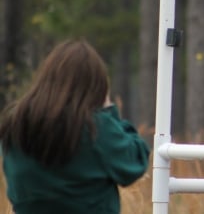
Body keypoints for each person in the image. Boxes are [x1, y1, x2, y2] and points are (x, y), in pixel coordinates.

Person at [0, 39, 150, 214]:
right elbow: (134, 163)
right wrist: (109, 112)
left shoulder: (15, 125)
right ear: (95, 88)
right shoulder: (96, 128)